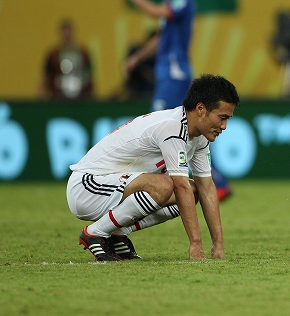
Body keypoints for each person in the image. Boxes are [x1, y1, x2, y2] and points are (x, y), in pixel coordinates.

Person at [67, 74, 239, 261]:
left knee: (193, 191)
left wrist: (218, 245)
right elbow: (179, 186)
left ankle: (116, 233)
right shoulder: (172, 127)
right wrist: (196, 245)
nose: (224, 126)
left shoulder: (199, 136)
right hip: (86, 187)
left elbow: (207, 187)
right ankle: (95, 233)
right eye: (222, 118)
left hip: (114, 186)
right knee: (168, 186)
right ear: (200, 109)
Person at [118, 0, 232, 200]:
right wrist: (137, 57)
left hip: (174, 73)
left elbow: (153, 10)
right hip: (167, 73)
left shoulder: (182, 0)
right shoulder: (171, 6)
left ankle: (149, 184)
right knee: (187, 129)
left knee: (158, 127)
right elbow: (161, 39)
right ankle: (216, 182)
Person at [42, 19, 93, 99]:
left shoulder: (84, 54)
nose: (67, 35)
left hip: (80, 98)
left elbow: (90, 77)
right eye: (64, 32)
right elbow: (45, 77)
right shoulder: (54, 55)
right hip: (58, 97)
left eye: (69, 32)